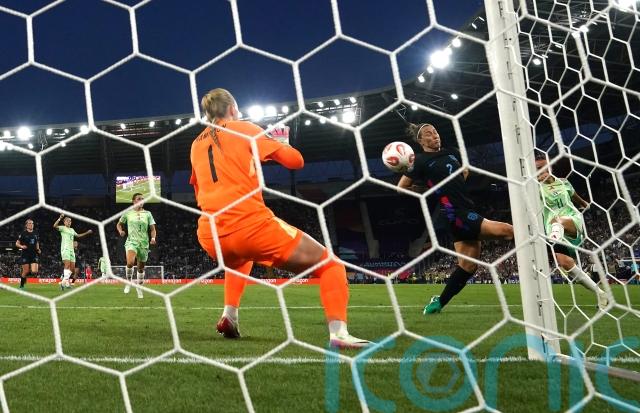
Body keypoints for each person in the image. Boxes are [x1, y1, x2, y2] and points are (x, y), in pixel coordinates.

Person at [190, 88, 369, 348]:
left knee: (239, 260)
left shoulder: (195, 144)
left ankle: (229, 315)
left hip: (210, 233)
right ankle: (339, 333)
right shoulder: (244, 128)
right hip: (249, 225)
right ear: (232, 109)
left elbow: (198, 191)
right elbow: (296, 161)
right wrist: (280, 143)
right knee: (330, 265)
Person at [396, 123, 514, 314]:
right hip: (454, 213)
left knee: (468, 266)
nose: (435, 135)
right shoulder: (419, 161)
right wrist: (428, 190)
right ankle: (550, 252)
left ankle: (438, 303)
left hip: (465, 207)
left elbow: (464, 172)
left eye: (435, 131)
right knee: (508, 231)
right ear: (420, 141)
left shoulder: (452, 152)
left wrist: (453, 184)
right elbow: (402, 187)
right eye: (428, 134)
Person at [535, 158, 608, 309]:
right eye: (537, 169)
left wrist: (585, 207)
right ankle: (601, 294)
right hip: (553, 230)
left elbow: (581, 202)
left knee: (557, 221)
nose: (540, 171)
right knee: (566, 263)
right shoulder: (535, 188)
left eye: (542, 167)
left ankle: (550, 244)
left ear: (550, 167)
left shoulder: (564, 183)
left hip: (571, 222)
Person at [116, 192, 157, 299]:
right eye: (139, 199)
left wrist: (153, 238)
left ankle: (139, 287)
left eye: (142, 199)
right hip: (131, 242)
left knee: (140, 269)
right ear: (133, 201)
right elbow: (119, 224)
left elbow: (153, 229)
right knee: (130, 263)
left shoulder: (148, 214)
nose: (141, 200)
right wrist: (120, 231)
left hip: (144, 243)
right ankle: (128, 282)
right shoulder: (128, 213)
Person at [53, 214, 93, 290]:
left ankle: (64, 282)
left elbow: (78, 235)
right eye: (67, 221)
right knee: (67, 265)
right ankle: (65, 283)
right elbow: (54, 226)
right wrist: (59, 218)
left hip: (72, 250)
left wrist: (87, 232)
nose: (69, 222)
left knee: (72, 269)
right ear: (64, 222)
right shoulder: (63, 228)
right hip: (65, 249)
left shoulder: (72, 230)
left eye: (70, 221)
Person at [15, 219, 41, 289]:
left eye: (32, 223)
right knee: (25, 271)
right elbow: (17, 243)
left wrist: (38, 249)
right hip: (25, 254)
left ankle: (25, 275)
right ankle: (21, 286)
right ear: (26, 225)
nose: (31, 224)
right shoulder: (23, 234)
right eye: (29, 223)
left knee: (35, 271)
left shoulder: (36, 233)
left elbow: (37, 242)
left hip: (34, 254)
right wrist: (22, 246)